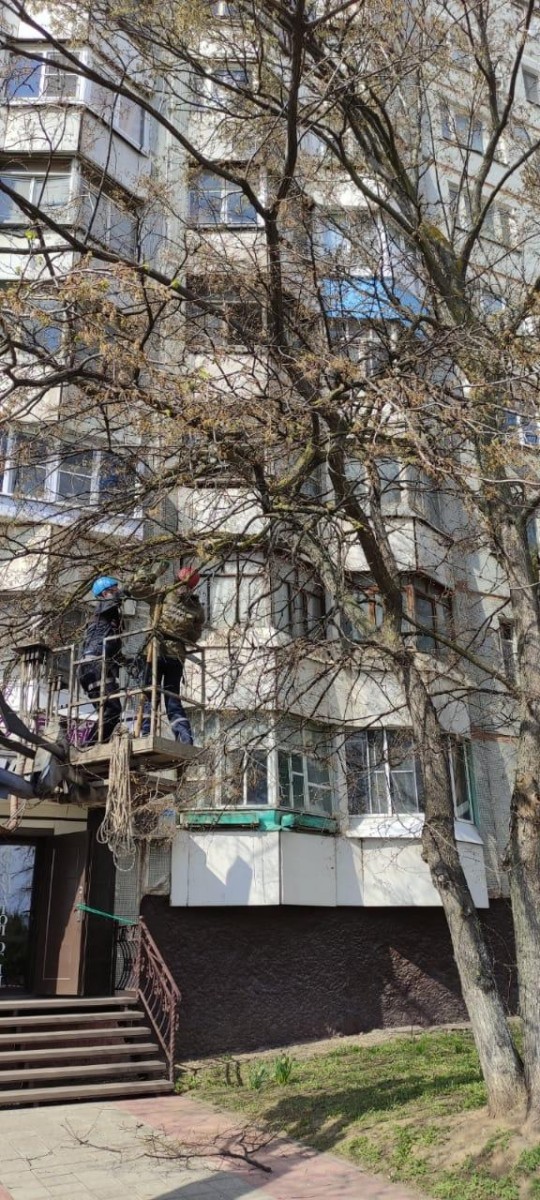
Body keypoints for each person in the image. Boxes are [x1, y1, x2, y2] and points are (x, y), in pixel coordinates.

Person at [131, 566, 205, 745]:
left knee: (150, 696)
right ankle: (185, 738)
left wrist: (154, 572)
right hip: (173, 656)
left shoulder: (163, 594)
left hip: (156, 652)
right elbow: (194, 636)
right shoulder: (196, 608)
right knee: (171, 699)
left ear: (176, 580)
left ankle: (145, 733)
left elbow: (135, 588)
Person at [79, 576, 123, 745]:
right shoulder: (103, 606)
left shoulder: (107, 618)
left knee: (108, 713)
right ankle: (90, 746)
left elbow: (110, 645)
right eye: (115, 589)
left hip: (90, 667)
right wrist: (134, 586)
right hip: (95, 665)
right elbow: (116, 599)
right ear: (105, 593)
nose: (118, 591)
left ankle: (93, 745)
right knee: (113, 710)